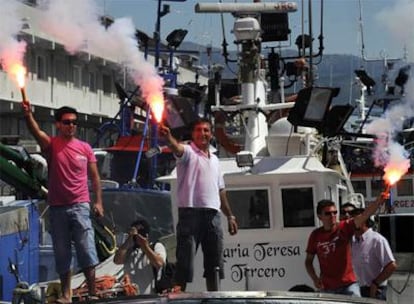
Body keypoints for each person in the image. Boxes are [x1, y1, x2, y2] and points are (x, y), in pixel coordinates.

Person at [22, 102, 103, 303]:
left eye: (74, 122)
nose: (71, 126)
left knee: (86, 248)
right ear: (58, 124)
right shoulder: (52, 145)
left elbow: (95, 178)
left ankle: (93, 291)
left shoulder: (85, 148)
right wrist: (28, 115)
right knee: (62, 252)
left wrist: (99, 202)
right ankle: (67, 294)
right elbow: (35, 131)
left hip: (80, 205)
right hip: (58, 207)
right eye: (67, 122)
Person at [159, 118, 238, 292]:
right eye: (198, 130)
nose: (202, 133)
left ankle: (214, 297)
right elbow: (176, 147)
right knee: (184, 264)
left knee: (215, 265)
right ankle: (177, 298)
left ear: (210, 134)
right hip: (190, 214)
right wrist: (168, 137)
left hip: (213, 215)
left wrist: (230, 215)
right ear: (193, 134)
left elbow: (221, 190)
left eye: (206, 130)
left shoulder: (216, 160)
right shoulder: (188, 152)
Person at [304, 191, 388, 297]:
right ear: (319, 216)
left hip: (349, 285)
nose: (333, 216)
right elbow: (308, 261)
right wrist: (315, 279)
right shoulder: (315, 235)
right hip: (327, 287)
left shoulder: (344, 227)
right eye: (328, 213)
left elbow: (364, 215)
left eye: (335, 212)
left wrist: (378, 201)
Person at [351, 208, 397, 300]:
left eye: (355, 221)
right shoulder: (354, 241)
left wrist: (375, 284)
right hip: (357, 290)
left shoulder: (377, 240)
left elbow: (391, 265)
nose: (352, 224)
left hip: (375, 291)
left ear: (364, 221)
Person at [113, 218, 166, 294]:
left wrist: (145, 247)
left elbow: (159, 263)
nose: (138, 236)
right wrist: (129, 238)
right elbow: (117, 260)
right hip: (132, 297)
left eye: (141, 233)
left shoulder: (156, 246)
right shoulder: (129, 251)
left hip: (151, 297)